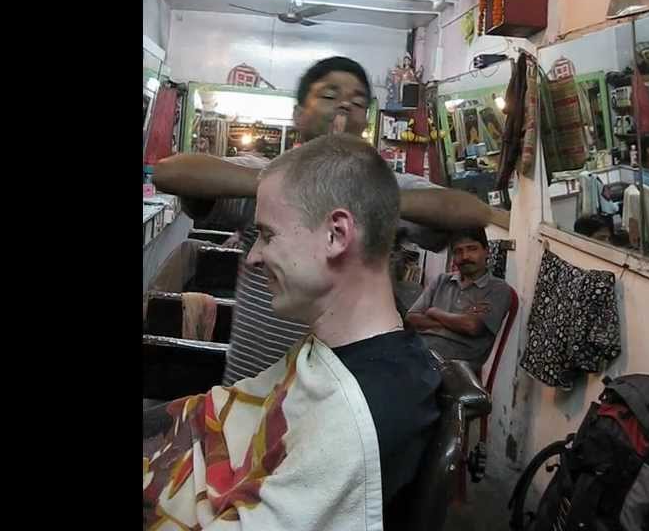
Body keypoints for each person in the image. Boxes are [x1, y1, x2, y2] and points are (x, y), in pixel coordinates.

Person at [144, 135, 442, 527]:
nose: (252, 257)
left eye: (267, 235)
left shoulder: (349, 417)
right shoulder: (341, 353)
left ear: (336, 235)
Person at [154, 56, 506, 384]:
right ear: (298, 115)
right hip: (257, 381)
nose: (344, 106)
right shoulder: (265, 174)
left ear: (366, 121)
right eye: (329, 95)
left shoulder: (386, 185)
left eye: (357, 101)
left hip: (348, 392)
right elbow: (171, 173)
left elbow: (471, 211)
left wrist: (365, 197)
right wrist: (291, 185)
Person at [405, 227, 513, 376]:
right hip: (419, 353)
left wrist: (433, 312)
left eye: (472, 249)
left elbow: (471, 326)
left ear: (486, 251)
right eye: (458, 251)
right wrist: (456, 322)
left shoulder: (498, 289)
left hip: (455, 368)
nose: (465, 256)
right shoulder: (442, 280)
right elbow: (411, 318)